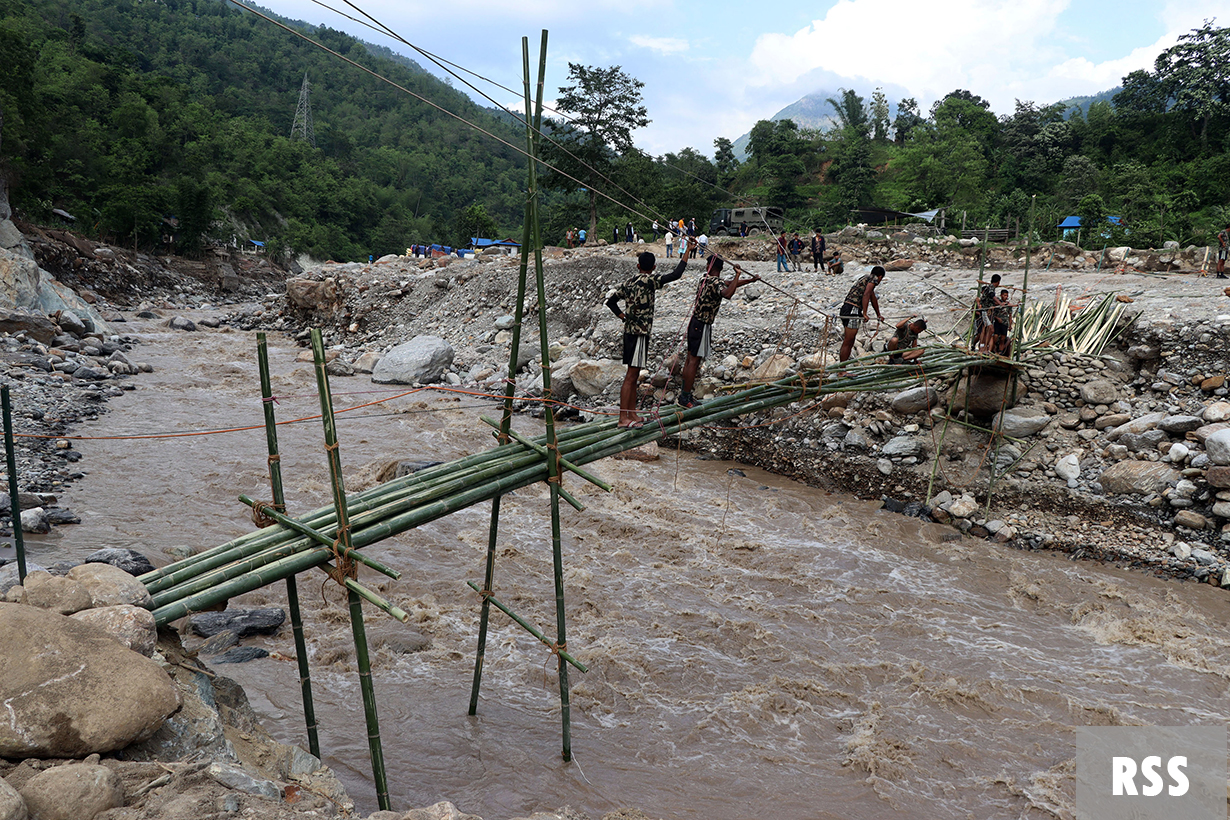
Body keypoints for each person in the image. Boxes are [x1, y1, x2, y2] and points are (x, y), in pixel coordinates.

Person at [606, 239, 696, 427]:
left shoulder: (629, 282)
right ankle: (623, 418)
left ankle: (632, 414)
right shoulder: (650, 281)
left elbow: (610, 302)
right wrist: (688, 250)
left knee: (635, 373)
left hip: (631, 332)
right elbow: (676, 274)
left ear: (638, 266)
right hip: (639, 333)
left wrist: (624, 317)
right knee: (631, 376)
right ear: (654, 267)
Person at [679, 255, 760, 408]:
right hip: (701, 324)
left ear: (709, 266)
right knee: (694, 361)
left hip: (695, 323)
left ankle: (685, 395)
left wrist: (750, 280)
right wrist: (737, 274)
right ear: (721, 268)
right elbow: (728, 293)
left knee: (690, 359)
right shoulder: (715, 282)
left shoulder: (705, 279)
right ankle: (685, 398)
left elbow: (728, 284)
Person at [839, 265, 886, 362]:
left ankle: (842, 368)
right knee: (848, 341)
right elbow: (867, 294)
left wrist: (878, 315)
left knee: (850, 341)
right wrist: (864, 313)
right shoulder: (873, 278)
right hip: (853, 309)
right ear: (880, 277)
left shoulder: (866, 279)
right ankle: (841, 370)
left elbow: (873, 298)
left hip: (847, 308)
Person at [976, 274, 1001, 350]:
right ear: (998, 282)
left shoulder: (989, 287)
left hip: (987, 311)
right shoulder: (991, 287)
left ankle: (983, 347)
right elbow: (992, 295)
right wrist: (1000, 303)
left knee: (986, 329)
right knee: (990, 329)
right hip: (985, 311)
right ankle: (984, 347)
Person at [992, 288, 1012, 355]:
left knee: (1003, 338)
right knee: (995, 336)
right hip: (997, 322)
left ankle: (1000, 351)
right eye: (1004, 295)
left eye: (1006, 295)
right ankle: (994, 349)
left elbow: (1010, 315)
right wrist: (997, 318)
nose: (1006, 297)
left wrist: (1010, 325)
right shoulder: (997, 303)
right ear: (1001, 295)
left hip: (1005, 323)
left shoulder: (1008, 305)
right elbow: (992, 313)